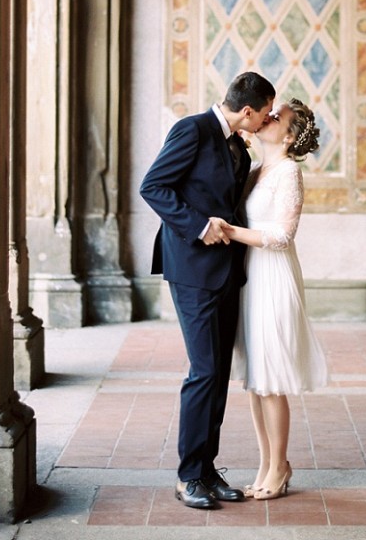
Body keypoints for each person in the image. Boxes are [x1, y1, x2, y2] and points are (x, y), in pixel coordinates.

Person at [139, 71, 276, 510]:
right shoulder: (192, 130)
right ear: (248, 110)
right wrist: (199, 226)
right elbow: (153, 186)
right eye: (266, 113)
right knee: (203, 371)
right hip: (193, 270)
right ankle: (187, 476)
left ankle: (206, 469)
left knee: (217, 373)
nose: (268, 120)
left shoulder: (237, 142)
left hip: (226, 272)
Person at [221, 98, 329, 501]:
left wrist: (230, 232)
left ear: (289, 134)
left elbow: (283, 235)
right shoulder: (254, 171)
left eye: (276, 116)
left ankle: (280, 465)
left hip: (274, 276)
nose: (267, 117)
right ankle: (264, 463)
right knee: (254, 378)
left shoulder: (289, 172)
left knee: (272, 378)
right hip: (251, 276)